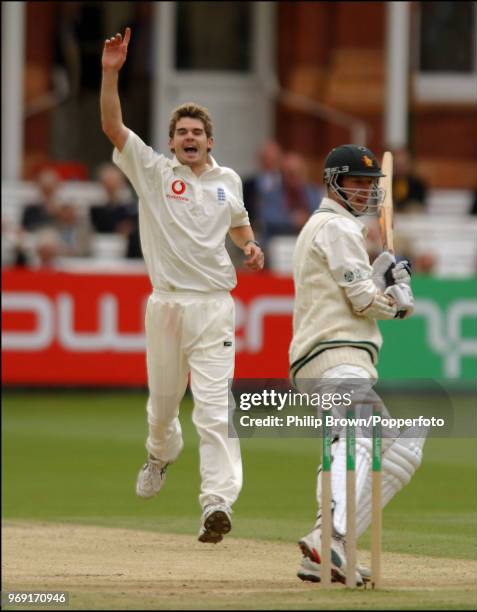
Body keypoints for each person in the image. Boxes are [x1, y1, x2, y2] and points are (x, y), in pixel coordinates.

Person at [100, 28, 264, 544]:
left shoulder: (228, 180)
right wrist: (110, 72)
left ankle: (217, 501)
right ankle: (158, 454)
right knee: (164, 408)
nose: (189, 138)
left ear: (209, 140)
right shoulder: (152, 171)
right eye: (182, 132)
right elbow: (111, 125)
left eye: (197, 131)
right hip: (167, 305)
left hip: (216, 307)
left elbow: (237, 222)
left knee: (215, 411)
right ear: (171, 141)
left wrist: (250, 245)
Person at [288, 144, 427, 585]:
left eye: (371, 184)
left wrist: (380, 275)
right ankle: (332, 533)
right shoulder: (334, 226)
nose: (367, 191)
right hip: (331, 354)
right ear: (333, 183)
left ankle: (328, 551)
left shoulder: (338, 229)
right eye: (358, 182)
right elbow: (363, 300)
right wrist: (398, 302)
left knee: (405, 448)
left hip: (344, 359)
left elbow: (360, 288)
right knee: (359, 428)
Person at [392, 147, 428, 213]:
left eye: (403, 165)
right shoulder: (386, 183)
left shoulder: (418, 184)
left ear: (409, 165)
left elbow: (421, 205)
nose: (400, 168)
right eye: (398, 165)